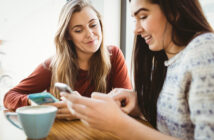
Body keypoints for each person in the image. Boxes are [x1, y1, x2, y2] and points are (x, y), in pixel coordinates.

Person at [61, 0, 214, 139]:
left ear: (174, 11)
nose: (136, 30)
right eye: (135, 19)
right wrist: (140, 107)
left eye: (143, 16)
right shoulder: (168, 63)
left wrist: (118, 124)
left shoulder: (204, 50)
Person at [3, 0, 132, 120]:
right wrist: (33, 102)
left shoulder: (113, 55)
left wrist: (83, 108)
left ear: (100, 24)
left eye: (93, 25)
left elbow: (127, 104)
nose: (90, 34)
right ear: (68, 36)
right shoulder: (52, 65)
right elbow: (10, 96)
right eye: (78, 30)